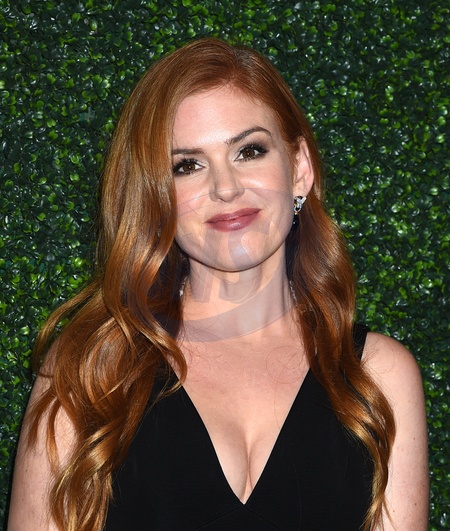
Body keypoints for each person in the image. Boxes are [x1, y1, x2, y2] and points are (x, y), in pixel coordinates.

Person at [8, 38, 428, 531]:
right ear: (155, 196)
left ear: (299, 168)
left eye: (249, 151)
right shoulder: (93, 369)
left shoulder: (378, 376)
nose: (225, 188)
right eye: (187, 165)